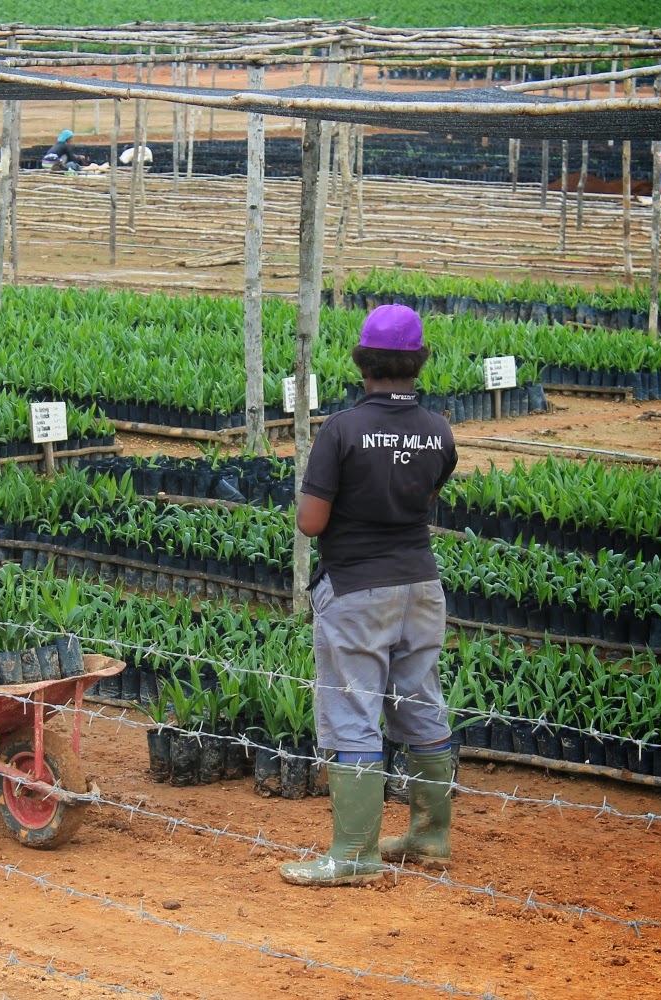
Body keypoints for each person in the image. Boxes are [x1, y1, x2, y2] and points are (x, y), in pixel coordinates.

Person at [280, 304, 459, 888]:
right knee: (421, 704)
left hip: (358, 588)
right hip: (421, 586)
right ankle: (430, 837)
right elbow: (424, 496)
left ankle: (355, 855)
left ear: (362, 364)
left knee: (354, 712)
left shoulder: (342, 429)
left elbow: (311, 522)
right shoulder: (438, 429)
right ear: (418, 364)